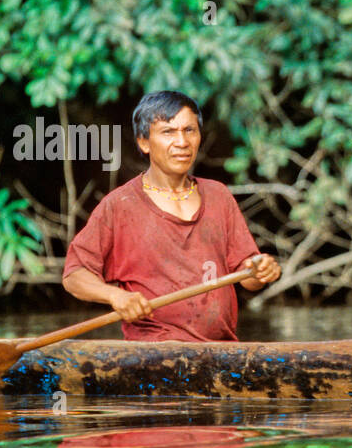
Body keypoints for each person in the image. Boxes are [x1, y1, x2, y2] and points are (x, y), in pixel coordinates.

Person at [61, 90, 281, 341]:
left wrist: (260, 270)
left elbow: (248, 278)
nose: (182, 142)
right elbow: (74, 276)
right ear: (144, 142)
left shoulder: (219, 196)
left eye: (189, 130)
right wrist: (116, 296)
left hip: (221, 350)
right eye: (168, 132)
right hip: (154, 351)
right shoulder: (120, 205)